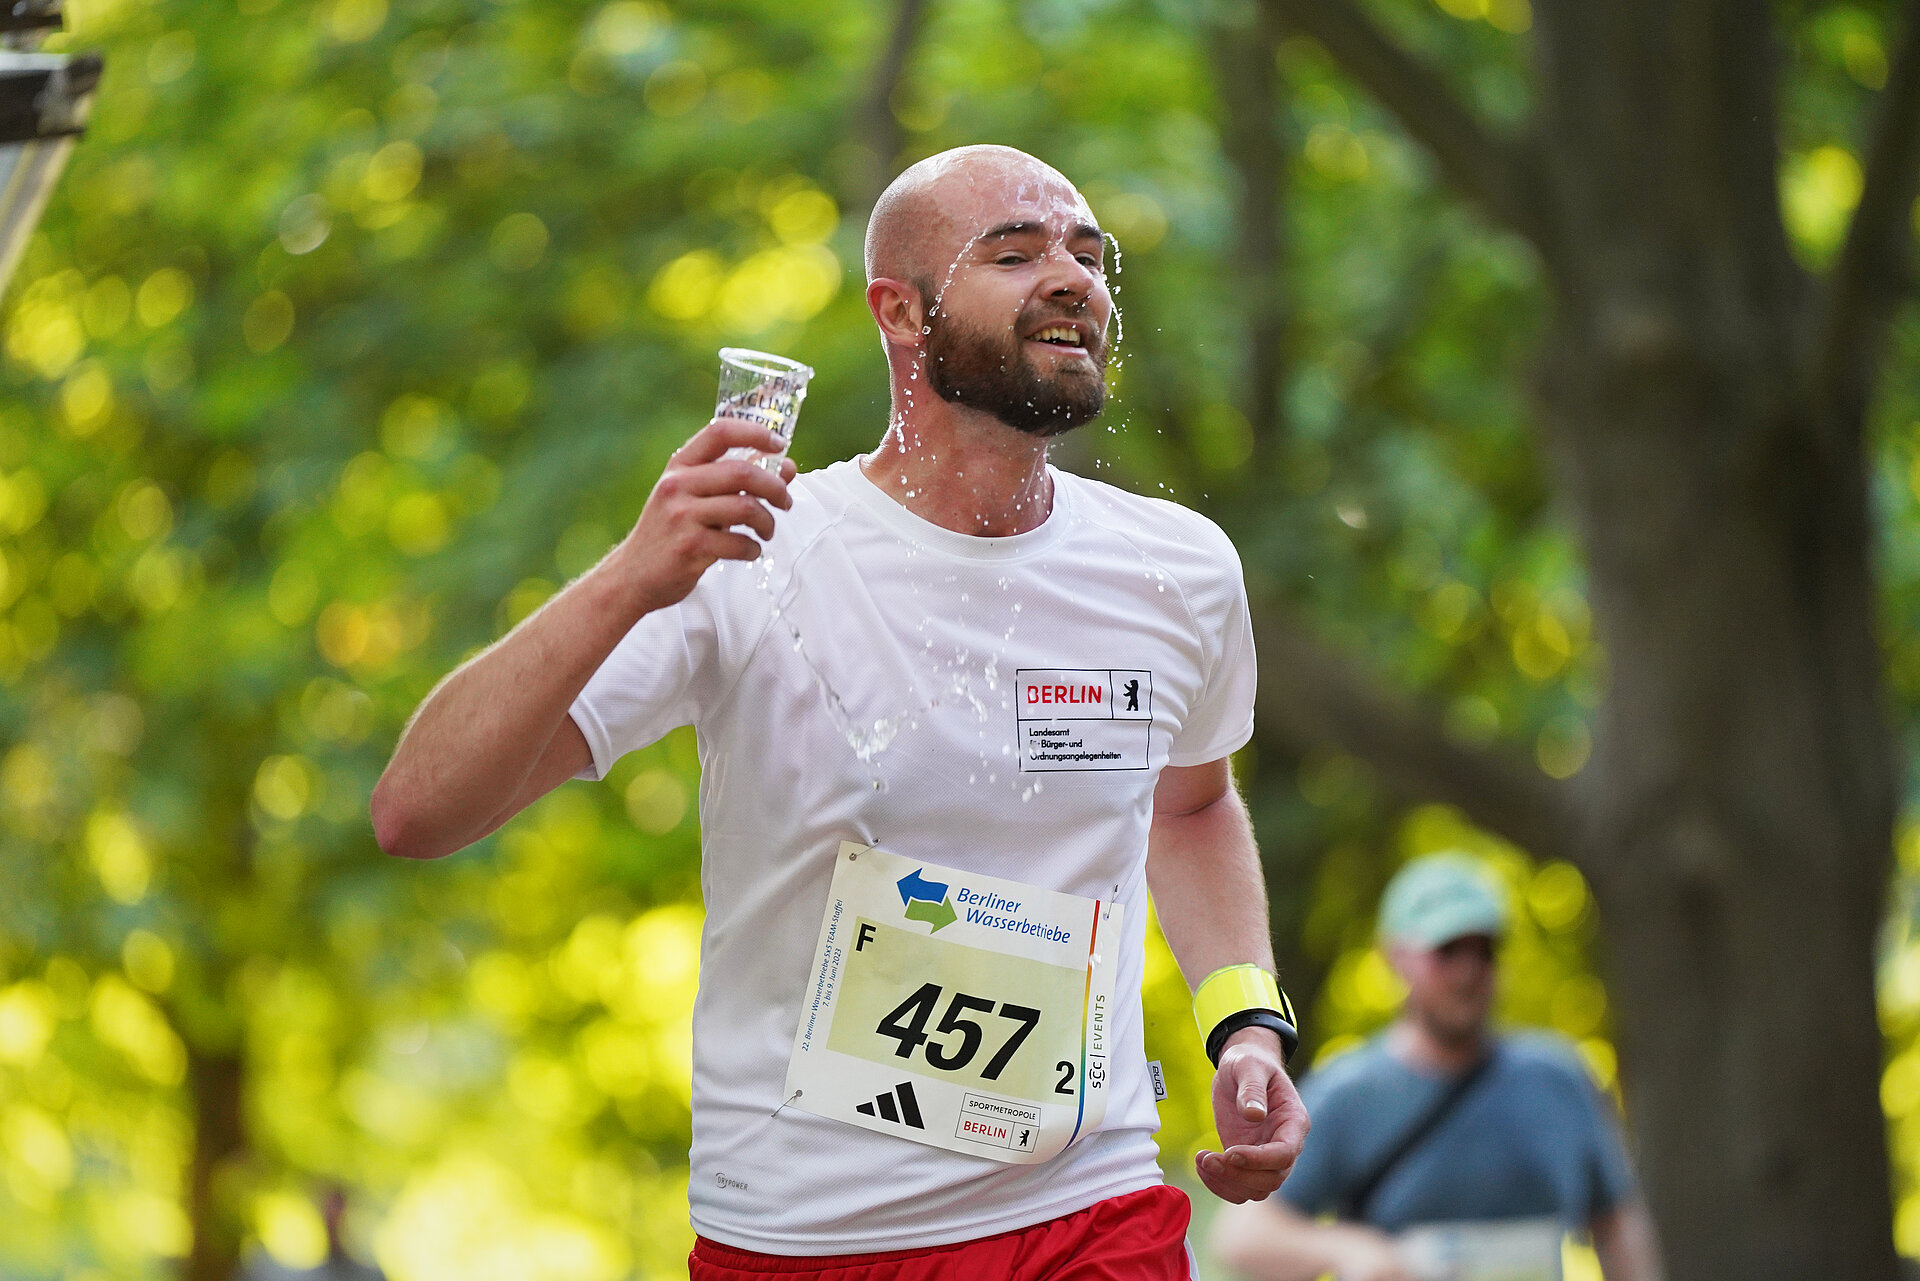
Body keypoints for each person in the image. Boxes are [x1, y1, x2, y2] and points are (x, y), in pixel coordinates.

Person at [371, 144, 1309, 1279]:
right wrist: (629, 576)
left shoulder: (1177, 569)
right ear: (901, 315)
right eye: (1015, 252)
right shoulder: (746, 556)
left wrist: (1246, 1021)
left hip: (1089, 1208)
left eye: (1088, 253)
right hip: (807, 1236)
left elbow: (1193, 809)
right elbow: (416, 813)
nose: (1074, 277)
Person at [1209, 853, 1663, 1281]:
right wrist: (1348, 1249)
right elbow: (1242, 1236)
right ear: (1397, 957)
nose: (1468, 971)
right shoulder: (1350, 1091)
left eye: (1483, 950)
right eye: (1447, 951)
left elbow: (1617, 1221)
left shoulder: (1560, 1079)